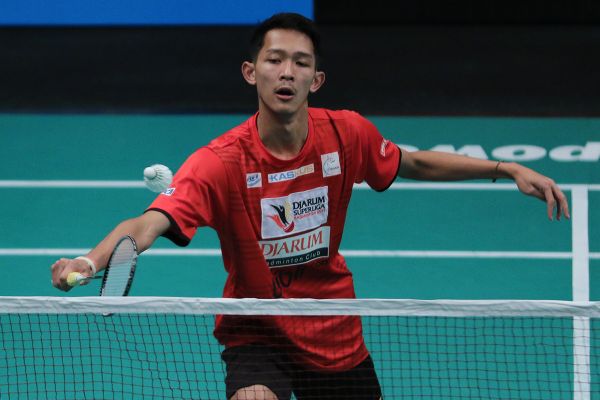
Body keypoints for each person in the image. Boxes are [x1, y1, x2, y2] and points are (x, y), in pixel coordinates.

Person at [51, 12, 570, 400]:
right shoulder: (220, 161)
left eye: (301, 63)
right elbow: (149, 222)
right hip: (256, 325)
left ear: (315, 80)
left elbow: (412, 163)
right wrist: (90, 261)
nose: (287, 72)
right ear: (251, 72)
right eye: (275, 60)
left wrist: (505, 168)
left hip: (332, 321)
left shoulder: (346, 133)